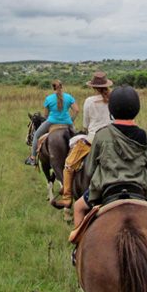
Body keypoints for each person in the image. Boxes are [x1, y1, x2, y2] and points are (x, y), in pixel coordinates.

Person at [72, 85, 147, 228]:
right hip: (138, 189)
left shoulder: (101, 135)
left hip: (106, 190)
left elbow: (90, 169)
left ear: (112, 109)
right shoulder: (144, 136)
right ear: (136, 109)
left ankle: (77, 248)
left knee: (78, 208)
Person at [52, 71, 113, 208]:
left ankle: (67, 198)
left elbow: (86, 125)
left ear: (93, 87)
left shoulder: (89, 101)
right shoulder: (112, 99)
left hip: (93, 140)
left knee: (68, 165)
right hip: (111, 138)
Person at [26, 79, 79, 166]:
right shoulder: (69, 97)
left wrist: (50, 119)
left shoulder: (48, 99)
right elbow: (76, 110)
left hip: (52, 121)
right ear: (62, 86)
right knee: (77, 138)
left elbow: (46, 115)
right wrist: (71, 121)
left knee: (36, 135)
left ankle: (32, 158)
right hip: (67, 122)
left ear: (53, 88)